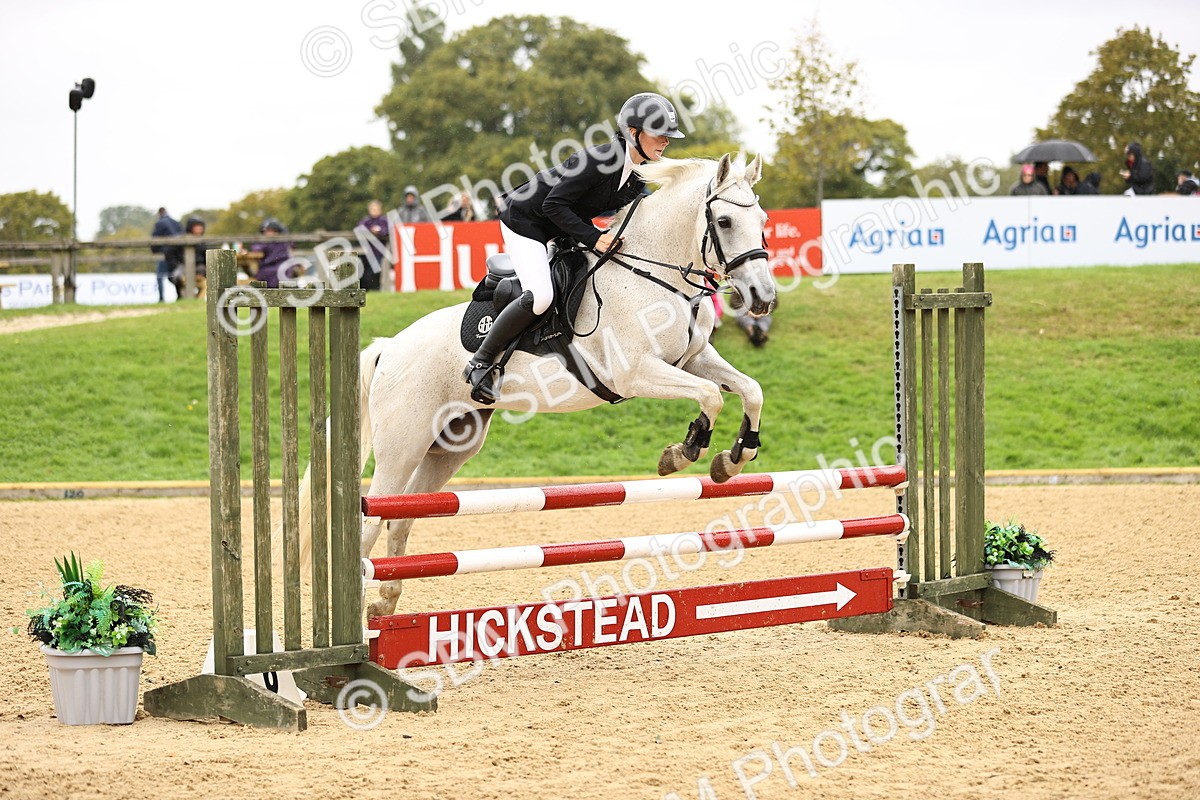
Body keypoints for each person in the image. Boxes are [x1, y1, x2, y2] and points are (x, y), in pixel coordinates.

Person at [462, 91, 685, 404]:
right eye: (659, 134)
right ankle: (480, 363)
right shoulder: (598, 161)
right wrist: (594, 238)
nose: (666, 142)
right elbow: (553, 205)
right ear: (633, 133)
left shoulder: (637, 174)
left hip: (562, 226)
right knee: (541, 296)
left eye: (668, 136)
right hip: (526, 222)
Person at [247, 218, 294, 288]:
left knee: (267, 274)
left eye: (269, 231)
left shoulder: (281, 242)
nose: (266, 233)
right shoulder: (266, 241)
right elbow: (257, 248)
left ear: (276, 232)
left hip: (278, 266)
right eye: (265, 231)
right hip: (269, 266)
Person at [150, 207, 183, 302]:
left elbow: (155, 239)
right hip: (177, 255)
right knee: (173, 276)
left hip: (164, 254)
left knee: (160, 276)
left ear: (159, 213)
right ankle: (181, 295)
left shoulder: (159, 223)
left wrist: (155, 251)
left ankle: (161, 298)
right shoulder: (176, 222)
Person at [175, 216, 212, 298]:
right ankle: (180, 296)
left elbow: (207, 258)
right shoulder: (180, 240)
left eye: (200, 227)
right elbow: (171, 255)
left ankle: (199, 298)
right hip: (183, 266)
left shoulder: (203, 242)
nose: (199, 229)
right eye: (196, 227)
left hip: (199, 268)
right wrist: (176, 264)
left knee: (207, 276)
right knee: (177, 276)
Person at [356, 200, 389, 290]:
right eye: (372, 209)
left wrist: (379, 232)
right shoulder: (367, 221)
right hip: (367, 252)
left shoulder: (383, 220)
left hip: (379, 252)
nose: (374, 211)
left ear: (380, 210)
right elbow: (359, 229)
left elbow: (387, 231)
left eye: (376, 209)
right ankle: (365, 290)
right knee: (364, 272)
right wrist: (370, 231)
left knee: (375, 272)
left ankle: (375, 290)